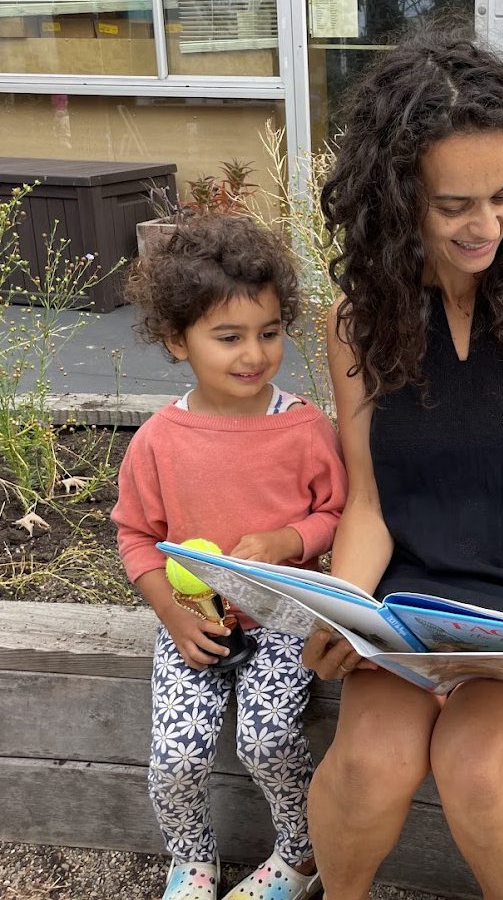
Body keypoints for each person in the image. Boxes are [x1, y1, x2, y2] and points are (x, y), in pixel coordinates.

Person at [299, 28, 503, 900]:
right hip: (411, 607)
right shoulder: (358, 317)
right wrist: (345, 610)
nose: (485, 225)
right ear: (396, 194)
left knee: (481, 769)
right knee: (368, 762)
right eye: (454, 206)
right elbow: (368, 502)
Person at [112, 215, 347, 900]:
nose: (254, 354)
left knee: (268, 740)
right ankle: (192, 862)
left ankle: (301, 857)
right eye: (228, 337)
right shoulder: (159, 440)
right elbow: (134, 534)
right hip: (194, 620)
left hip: (284, 617)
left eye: (269, 333)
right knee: (178, 756)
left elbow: (338, 512)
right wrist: (172, 613)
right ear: (177, 340)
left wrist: (288, 542)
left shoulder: (303, 426)